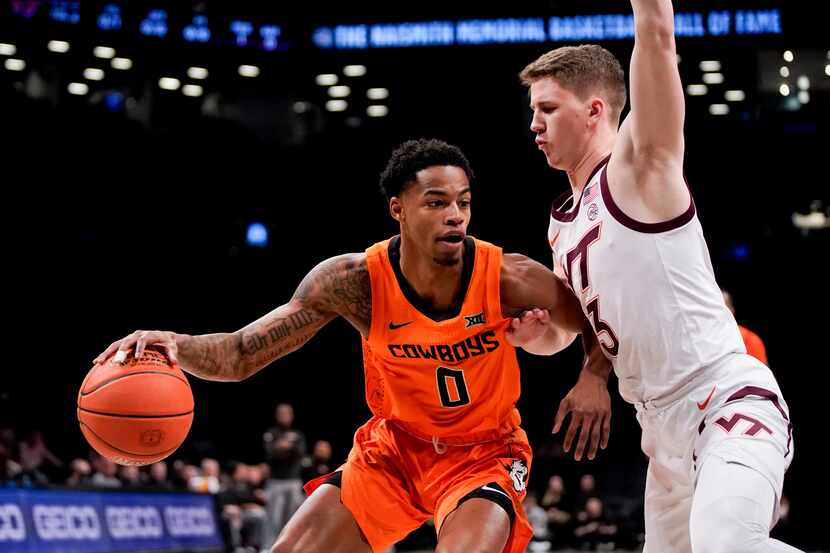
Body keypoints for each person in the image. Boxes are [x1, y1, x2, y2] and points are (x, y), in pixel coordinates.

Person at [94, 138, 605, 553]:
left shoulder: (508, 278)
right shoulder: (352, 282)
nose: (456, 215)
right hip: (393, 452)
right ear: (397, 209)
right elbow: (243, 354)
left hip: (484, 453)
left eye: (463, 202)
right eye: (437, 202)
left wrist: (593, 376)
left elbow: (601, 320)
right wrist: (175, 346)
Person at [517, 1, 800, 551]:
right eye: (533, 110)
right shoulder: (562, 223)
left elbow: (656, 32)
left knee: (730, 543)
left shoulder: (640, 165)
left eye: (548, 108)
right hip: (659, 433)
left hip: (725, 399)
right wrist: (535, 337)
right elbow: (570, 331)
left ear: (595, 110)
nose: (534, 124)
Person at [262, 403, 307, 545]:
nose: (284, 416)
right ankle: (268, 547)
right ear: (277, 415)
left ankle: (289, 547)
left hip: (293, 481)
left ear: (292, 416)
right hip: (276, 481)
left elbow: (300, 454)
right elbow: (270, 454)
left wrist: (283, 447)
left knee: (292, 518)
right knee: (273, 518)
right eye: (281, 413)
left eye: (287, 413)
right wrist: (283, 448)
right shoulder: (271, 433)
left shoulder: (298, 434)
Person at [722, 289, 768, 364]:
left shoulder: (750, 340)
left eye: (724, 308)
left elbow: (761, 374)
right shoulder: (700, 338)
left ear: (732, 311)